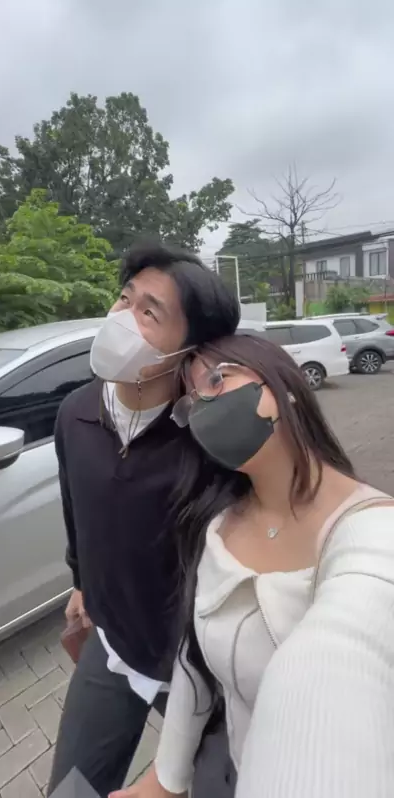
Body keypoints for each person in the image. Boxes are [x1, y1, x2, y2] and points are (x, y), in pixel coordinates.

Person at [113, 333, 394, 798]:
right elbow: (194, 663)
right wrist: (164, 779)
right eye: (190, 402)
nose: (203, 408)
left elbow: (347, 645)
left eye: (216, 380)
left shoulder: (373, 531)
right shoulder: (215, 527)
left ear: (285, 384)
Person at [47, 242, 241, 798]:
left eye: (149, 312)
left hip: (197, 669)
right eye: (125, 298)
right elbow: (76, 511)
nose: (122, 318)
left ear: (190, 348)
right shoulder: (76, 413)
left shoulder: (210, 440)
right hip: (113, 646)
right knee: (71, 792)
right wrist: (81, 583)